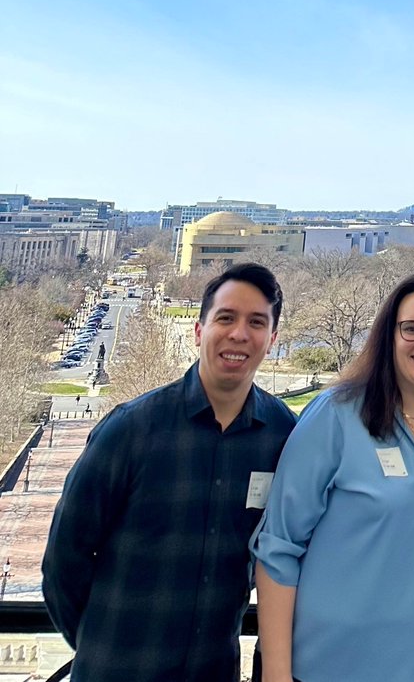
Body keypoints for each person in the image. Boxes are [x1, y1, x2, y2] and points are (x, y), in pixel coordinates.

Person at [42, 262, 296, 682]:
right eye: (226, 318)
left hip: (214, 672)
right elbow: (64, 560)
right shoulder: (131, 429)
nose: (239, 334)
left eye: (256, 322)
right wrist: (98, 643)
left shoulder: (284, 436)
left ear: (272, 339)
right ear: (199, 331)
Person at [253, 271, 414, 682]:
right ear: (388, 335)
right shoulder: (335, 416)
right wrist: (276, 673)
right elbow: (278, 549)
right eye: (411, 328)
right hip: (335, 665)